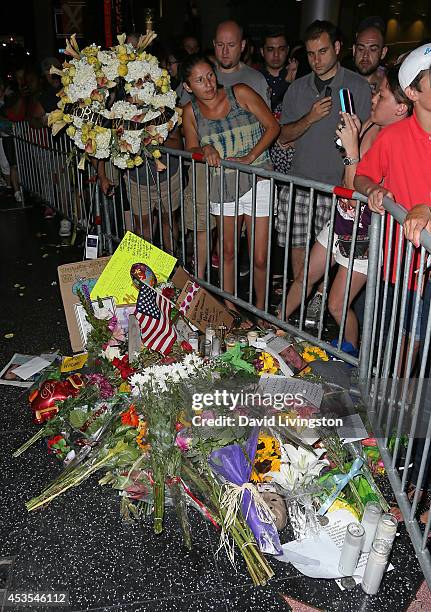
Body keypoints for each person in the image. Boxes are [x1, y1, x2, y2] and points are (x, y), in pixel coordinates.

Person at [280, 64, 412, 349]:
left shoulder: (400, 141)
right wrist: (349, 142)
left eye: (381, 95)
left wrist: (352, 151)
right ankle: (274, 326)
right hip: (342, 219)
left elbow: (357, 190)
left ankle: (351, 361)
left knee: (337, 305)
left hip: (367, 234)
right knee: (305, 277)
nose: (373, 98)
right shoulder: (371, 124)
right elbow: (346, 181)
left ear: (401, 108)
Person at [276, 19, 371, 322]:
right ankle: (295, 314)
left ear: (338, 48)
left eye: (323, 51)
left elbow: (367, 140)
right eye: (311, 53)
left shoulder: (357, 87)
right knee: (299, 257)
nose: (316, 60)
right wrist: (310, 118)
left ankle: (317, 309)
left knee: (331, 261)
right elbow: (283, 135)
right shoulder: (297, 88)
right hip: (301, 186)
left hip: (338, 190)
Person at [181, 55, 279, 322]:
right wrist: (204, 148)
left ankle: (261, 313)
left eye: (210, 76)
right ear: (188, 87)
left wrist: (249, 158)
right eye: (199, 80)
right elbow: (190, 147)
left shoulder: (241, 93)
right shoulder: (190, 112)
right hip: (223, 184)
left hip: (259, 178)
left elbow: (272, 126)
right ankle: (230, 310)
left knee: (260, 257)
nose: (208, 84)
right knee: (227, 252)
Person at [353, 16, 388, 94]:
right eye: (361, 49)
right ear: (354, 50)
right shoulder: (341, 84)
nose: (365, 55)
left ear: (383, 53)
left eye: (373, 50)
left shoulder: (391, 89)